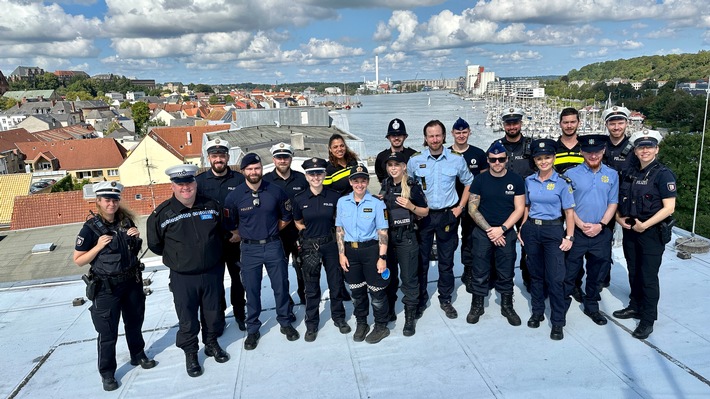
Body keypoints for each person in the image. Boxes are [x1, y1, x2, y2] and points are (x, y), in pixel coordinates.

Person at [147, 164, 229, 378]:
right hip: (183, 277)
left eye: (189, 182)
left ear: (195, 183)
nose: (186, 187)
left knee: (212, 313)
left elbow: (222, 232)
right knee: (188, 318)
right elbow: (156, 245)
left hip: (211, 272)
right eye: (180, 183)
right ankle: (191, 353)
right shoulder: (161, 215)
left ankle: (211, 344)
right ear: (172, 185)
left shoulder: (211, 206)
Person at [74, 181, 155, 391]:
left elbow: (131, 251)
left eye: (115, 199)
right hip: (106, 288)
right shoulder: (90, 228)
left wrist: (136, 238)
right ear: (98, 202)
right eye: (107, 200)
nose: (111, 203)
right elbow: (79, 260)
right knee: (108, 332)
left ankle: (138, 355)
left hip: (131, 283)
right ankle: (107, 373)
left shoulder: (125, 222)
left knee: (134, 323)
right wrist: (98, 246)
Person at [224, 153, 299, 350]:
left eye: (256, 168)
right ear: (243, 171)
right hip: (249, 249)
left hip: (273, 245)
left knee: (281, 286)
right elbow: (230, 224)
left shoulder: (275, 191)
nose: (253, 172)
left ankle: (285, 322)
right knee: (252, 289)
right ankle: (253, 329)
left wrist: (269, 231)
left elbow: (286, 216)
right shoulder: (234, 196)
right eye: (249, 169)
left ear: (261, 169)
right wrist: (249, 235)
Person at [407, 120, 473, 319]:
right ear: (425, 138)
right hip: (423, 217)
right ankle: (420, 298)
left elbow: (469, 183)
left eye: (438, 135)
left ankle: (445, 299)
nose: (434, 139)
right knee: (422, 261)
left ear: (444, 136)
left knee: (446, 261)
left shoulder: (456, 159)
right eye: (430, 136)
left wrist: (460, 207)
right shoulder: (415, 160)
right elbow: (408, 185)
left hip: (447, 215)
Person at [613, 130, 676, 340]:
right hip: (630, 229)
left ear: (656, 149)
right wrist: (619, 219)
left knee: (648, 277)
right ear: (636, 151)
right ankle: (635, 305)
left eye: (649, 147)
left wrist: (645, 225)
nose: (645, 150)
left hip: (651, 233)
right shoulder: (631, 172)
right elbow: (621, 199)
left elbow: (669, 208)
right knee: (634, 271)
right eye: (641, 147)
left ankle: (647, 319)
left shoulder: (663, 174)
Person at [519, 139, 575, 341]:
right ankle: (537, 311)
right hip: (532, 229)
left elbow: (569, 212)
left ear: (553, 158)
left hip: (553, 230)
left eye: (547, 157)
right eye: (539, 158)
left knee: (555, 278)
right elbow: (526, 206)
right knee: (535, 274)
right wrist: (523, 228)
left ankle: (558, 321)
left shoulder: (562, 183)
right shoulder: (529, 181)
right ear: (534, 160)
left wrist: (569, 236)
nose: (543, 161)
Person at [466, 141, 525, 326]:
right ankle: (477, 304)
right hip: (484, 232)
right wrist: (490, 231)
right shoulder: (480, 180)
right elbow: (472, 209)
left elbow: (519, 209)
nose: (497, 162)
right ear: (488, 160)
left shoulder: (516, 180)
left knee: (506, 271)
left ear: (506, 159)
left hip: (505, 232)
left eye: (501, 159)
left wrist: (502, 229)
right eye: (493, 159)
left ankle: (507, 305)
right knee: (479, 271)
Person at [292, 157, 351, 342]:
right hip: (310, 246)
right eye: (311, 174)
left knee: (336, 284)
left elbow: (340, 223)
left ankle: (339, 318)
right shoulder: (299, 199)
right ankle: (311, 324)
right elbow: (297, 221)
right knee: (312, 288)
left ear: (325, 175)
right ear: (306, 176)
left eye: (319, 173)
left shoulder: (334, 196)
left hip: (330, 244)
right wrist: (307, 233)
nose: (316, 177)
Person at [564, 135, 618, 326]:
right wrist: (579, 224)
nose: (593, 155)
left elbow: (613, 203)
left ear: (603, 151)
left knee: (597, 273)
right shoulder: (570, 174)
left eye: (597, 152)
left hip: (600, 232)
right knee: (569, 271)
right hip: (577, 231)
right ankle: (561, 306)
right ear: (582, 152)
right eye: (588, 152)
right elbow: (567, 205)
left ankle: (592, 305)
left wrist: (601, 225)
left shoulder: (612, 174)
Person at [195, 138, 247, 331]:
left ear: (227, 157)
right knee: (215, 283)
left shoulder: (239, 180)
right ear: (209, 158)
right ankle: (218, 318)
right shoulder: (199, 182)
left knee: (238, 280)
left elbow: (247, 209)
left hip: (235, 240)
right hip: (212, 243)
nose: (219, 159)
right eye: (214, 156)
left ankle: (240, 314)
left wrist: (241, 231)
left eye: (222, 156)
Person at [336, 164, 390, 344]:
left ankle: (381, 326)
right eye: (356, 180)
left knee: (377, 293)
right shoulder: (342, 202)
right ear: (350, 182)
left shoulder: (377, 203)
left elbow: (383, 232)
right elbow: (340, 229)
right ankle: (362, 323)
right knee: (357, 292)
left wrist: (382, 258)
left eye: (363, 180)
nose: (360, 184)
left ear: (367, 181)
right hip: (350, 252)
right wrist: (341, 254)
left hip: (371, 251)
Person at [380, 151, 429, 336]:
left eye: (396, 165)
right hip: (388, 238)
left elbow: (425, 211)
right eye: (390, 165)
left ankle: (410, 317)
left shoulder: (412, 185)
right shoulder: (385, 184)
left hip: (406, 237)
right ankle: (391, 310)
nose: (393, 168)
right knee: (389, 278)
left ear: (404, 167)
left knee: (409, 279)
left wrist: (411, 206)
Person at [263, 142, 308, 305]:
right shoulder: (265, 181)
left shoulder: (302, 179)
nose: (282, 161)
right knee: (280, 270)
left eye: (285, 157)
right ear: (274, 160)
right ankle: (285, 299)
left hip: (299, 233)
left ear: (291, 158)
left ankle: (304, 295)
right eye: (279, 158)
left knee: (302, 267)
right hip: (277, 234)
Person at [495, 107, 534, 291]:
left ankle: (529, 277)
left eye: (515, 122)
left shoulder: (531, 145)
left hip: (528, 204)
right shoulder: (497, 145)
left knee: (528, 242)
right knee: (502, 242)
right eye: (508, 123)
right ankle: (500, 278)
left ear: (520, 123)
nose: (512, 126)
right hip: (504, 204)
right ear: (504, 125)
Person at [448, 117, 487, 294]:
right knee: (449, 241)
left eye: (464, 132)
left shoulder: (479, 154)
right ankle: (447, 273)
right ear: (452, 134)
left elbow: (486, 180)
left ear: (469, 132)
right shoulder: (446, 154)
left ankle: (468, 271)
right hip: (451, 205)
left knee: (470, 239)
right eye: (458, 132)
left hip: (473, 205)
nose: (461, 135)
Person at [374, 118, 418, 183]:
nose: (396, 138)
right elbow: (381, 181)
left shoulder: (413, 155)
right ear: (388, 138)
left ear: (405, 137)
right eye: (393, 135)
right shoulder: (381, 157)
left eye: (399, 135)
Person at [602, 106, 635, 174]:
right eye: (612, 124)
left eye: (620, 123)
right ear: (606, 125)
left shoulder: (634, 147)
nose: (616, 127)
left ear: (626, 124)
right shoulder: (600, 145)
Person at [554, 107, 584, 173]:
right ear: (560, 124)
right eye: (565, 122)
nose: (569, 126)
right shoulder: (553, 149)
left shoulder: (586, 148)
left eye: (573, 122)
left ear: (579, 123)